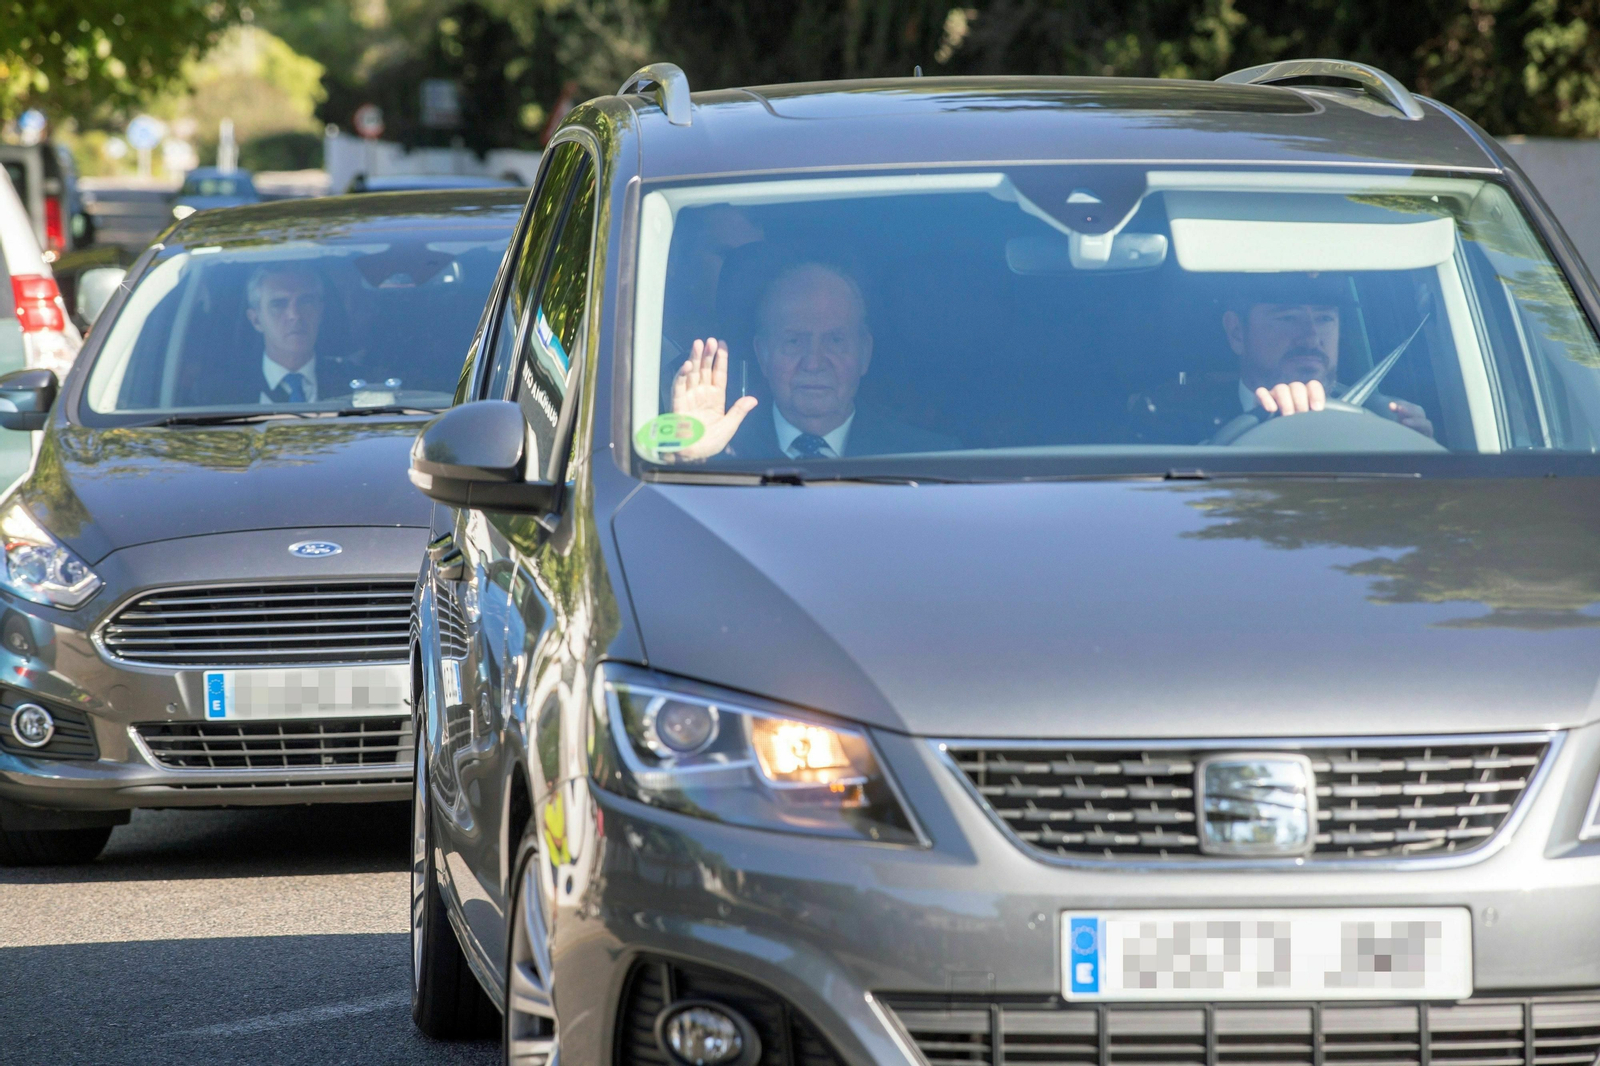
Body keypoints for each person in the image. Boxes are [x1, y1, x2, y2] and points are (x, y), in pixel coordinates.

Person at [667, 262, 956, 460]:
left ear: (864, 353)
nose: (814, 363)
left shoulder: (926, 458)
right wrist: (691, 457)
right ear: (763, 355)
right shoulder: (723, 450)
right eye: (794, 341)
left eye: (835, 340)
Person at [1130, 274, 1434, 443]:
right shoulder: (1173, 419)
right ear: (1237, 332)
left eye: (1326, 319)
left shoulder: (1382, 421)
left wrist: (1416, 449)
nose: (1312, 337)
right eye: (1288, 317)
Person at [230, 265, 348, 404]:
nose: (294, 315)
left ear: (320, 312)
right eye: (279, 304)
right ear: (256, 320)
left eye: (306, 301)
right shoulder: (219, 393)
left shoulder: (354, 383)